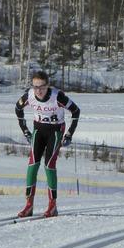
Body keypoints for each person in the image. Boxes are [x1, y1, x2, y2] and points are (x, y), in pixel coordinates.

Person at [13, 70, 80, 218]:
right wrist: (25, 131)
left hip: (55, 130)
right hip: (39, 129)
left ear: (47, 86)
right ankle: (29, 205)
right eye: (35, 87)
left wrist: (69, 134)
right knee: (32, 165)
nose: (39, 91)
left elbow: (76, 111)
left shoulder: (57, 96)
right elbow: (18, 109)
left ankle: (52, 205)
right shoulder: (30, 95)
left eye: (42, 87)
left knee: (49, 165)